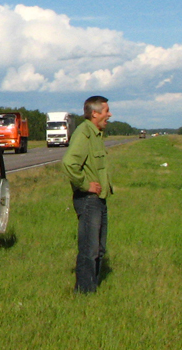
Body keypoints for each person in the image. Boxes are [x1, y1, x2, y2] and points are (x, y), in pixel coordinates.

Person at [61, 95, 113, 293]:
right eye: (106, 111)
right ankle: (84, 292)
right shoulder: (84, 133)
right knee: (89, 250)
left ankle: (93, 287)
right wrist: (85, 185)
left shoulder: (96, 134)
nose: (109, 114)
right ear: (95, 113)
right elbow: (68, 163)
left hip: (99, 200)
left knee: (99, 249)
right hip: (89, 200)